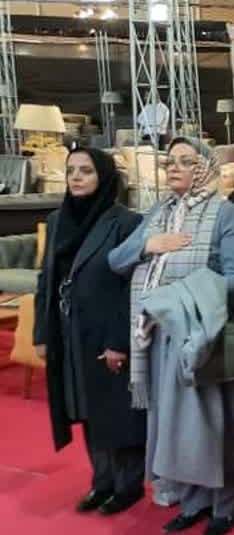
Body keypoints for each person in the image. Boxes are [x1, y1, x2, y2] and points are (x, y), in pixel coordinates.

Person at [108, 136, 234, 535]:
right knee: (179, 426)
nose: (173, 168)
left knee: (219, 425)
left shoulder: (229, 214)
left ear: (206, 167)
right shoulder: (160, 212)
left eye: (185, 161)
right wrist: (149, 245)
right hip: (160, 339)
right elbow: (116, 259)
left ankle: (223, 507)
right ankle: (192, 502)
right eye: (169, 161)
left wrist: (175, 299)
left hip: (209, 337)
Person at [34, 147, 146, 515]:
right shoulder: (58, 221)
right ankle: (102, 482)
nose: (76, 177)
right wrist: (41, 333)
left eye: (86, 170)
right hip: (68, 331)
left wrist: (118, 341)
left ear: (104, 176)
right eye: (71, 170)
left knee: (116, 409)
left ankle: (128, 485)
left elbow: (131, 287)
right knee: (83, 405)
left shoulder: (126, 222)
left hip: (106, 331)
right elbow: (46, 279)